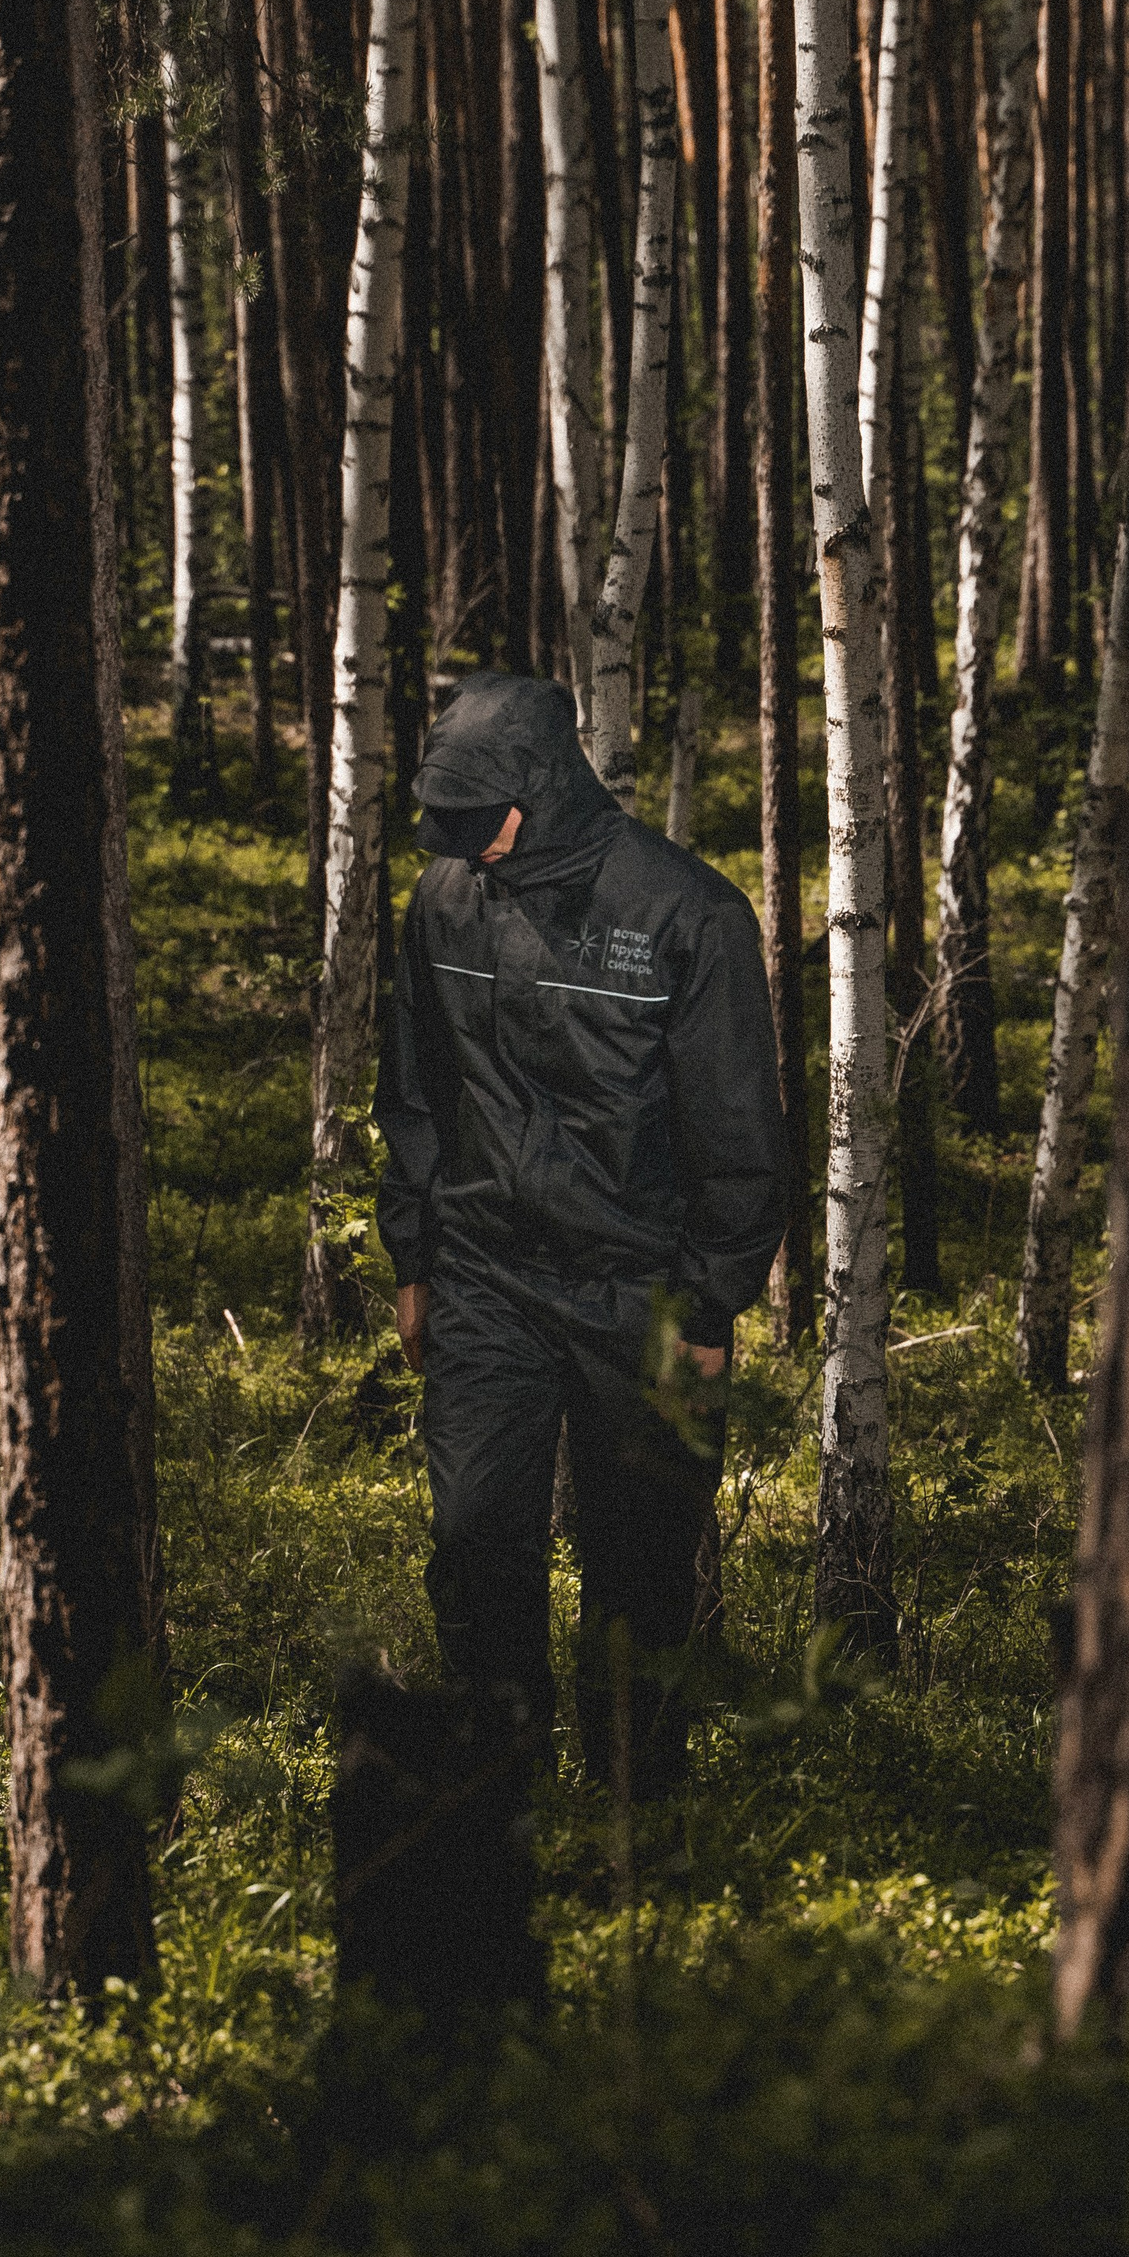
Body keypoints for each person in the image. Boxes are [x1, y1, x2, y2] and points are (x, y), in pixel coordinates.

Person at [375, 673, 791, 1796]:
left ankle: (633, 1815)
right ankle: (496, 1785)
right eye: (442, 823)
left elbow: (739, 1127)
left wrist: (709, 1305)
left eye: (477, 820)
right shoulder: (443, 902)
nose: (461, 846)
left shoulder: (687, 914)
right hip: (485, 1276)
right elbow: (412, 1092)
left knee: (641, 1569)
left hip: (642, 1294)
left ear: (542, 788)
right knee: (472, 1540)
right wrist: (413, 1262)